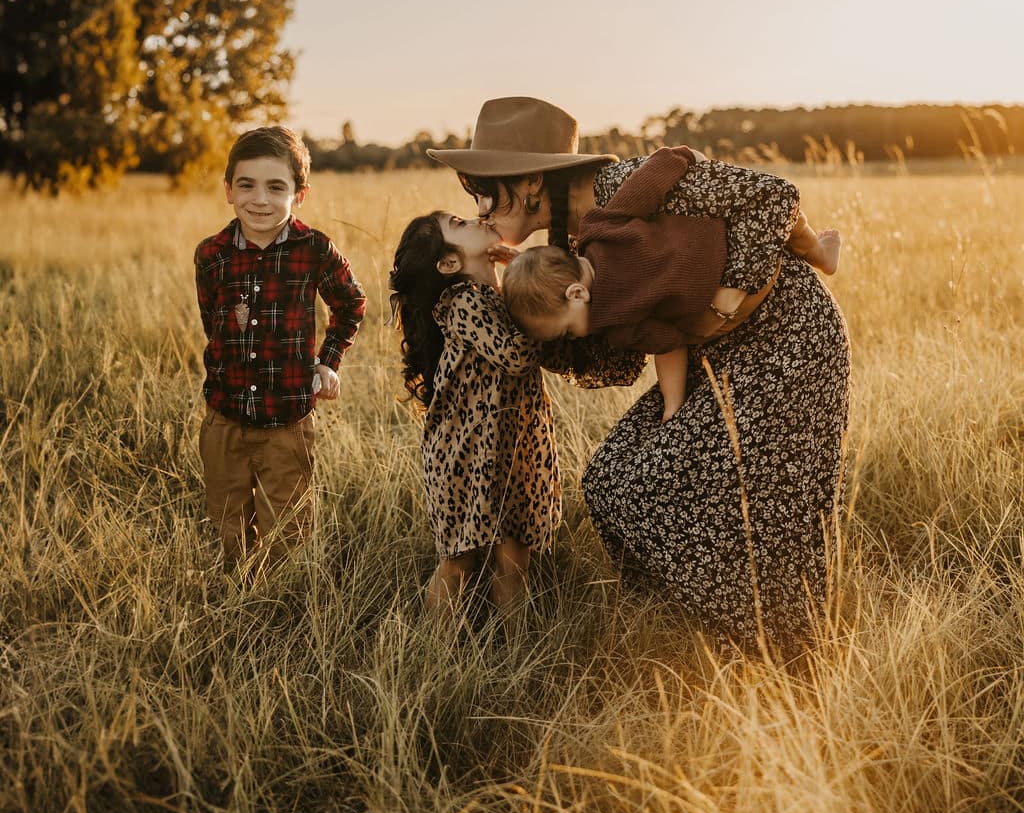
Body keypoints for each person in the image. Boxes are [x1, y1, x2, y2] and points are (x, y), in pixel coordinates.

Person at [428, 97, 851, 647]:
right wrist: (518, 319)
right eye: (472, 193)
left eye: (485, 189)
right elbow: (622, 353)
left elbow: (773, 197)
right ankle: (693, 627)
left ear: (530, 179)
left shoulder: (620, 186)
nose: (479, 207)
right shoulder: (565, 245)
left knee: (754, 500)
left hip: (787, 338)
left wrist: (725, 301)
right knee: (613, 481)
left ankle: (782, 639)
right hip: (712, 353)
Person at [502, 145, 842, 423]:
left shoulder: (607, 274)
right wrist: (681, 157)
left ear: (576, 293)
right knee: (794, 227)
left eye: (565, 330)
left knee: (787, 218)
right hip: (720, 249)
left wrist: (673, 405)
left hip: (733, 257)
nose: (573, 336)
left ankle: (819, 253)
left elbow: (643, 188)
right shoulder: (599, 237)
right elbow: (668, 342)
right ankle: (817, 251)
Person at [195, 126, 366, 568]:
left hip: (287, 419)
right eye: (247, 185)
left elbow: (352, 304)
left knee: (286, 534)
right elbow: (213, 326)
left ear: (299, 194)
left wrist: (327, 362)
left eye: (276, 187)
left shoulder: (314, 249)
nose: (260, 199)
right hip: (224, 416)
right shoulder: (211, 255)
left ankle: (276, 617)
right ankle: (233, 608)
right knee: (226, 529)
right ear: (229, 191)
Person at [388, 210, 561, 619]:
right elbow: (515, 354)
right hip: (465, 452)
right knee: (460, 559)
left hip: (509, 448)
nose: (474, 218)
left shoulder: (491, 295)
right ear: (449, 264)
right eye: (460, 224)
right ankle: (435, 650)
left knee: (514, 553)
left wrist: (520, 274)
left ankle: (517, 656)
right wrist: (550, 316)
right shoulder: (465, 300)